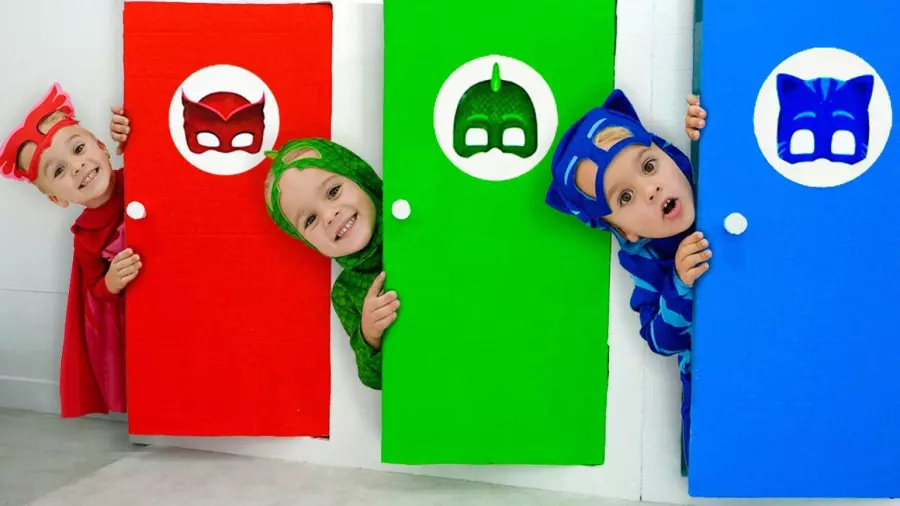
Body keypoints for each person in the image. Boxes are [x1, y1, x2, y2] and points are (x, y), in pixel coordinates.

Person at [544, 89, 711, 472]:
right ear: (625, 232)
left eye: (649, 166)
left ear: (666, 154)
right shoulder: (646, 262)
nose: (651, 190)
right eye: (625, 198)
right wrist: (680, 284)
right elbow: (659, 340)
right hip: (715, 379)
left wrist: (708, 125)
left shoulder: (709, 177)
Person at [0, 84, 141, 417]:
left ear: (103, 147)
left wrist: (134, 131)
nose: (76, 166)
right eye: (59, 171)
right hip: (143, 320)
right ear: (57, 198)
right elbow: (95, 290)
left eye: (78, 149)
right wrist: (112, 282)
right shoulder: (85, 237)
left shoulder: (140, 175)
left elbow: (165, 160)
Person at [263, 138, 399, 389]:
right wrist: (370, 335)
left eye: (333, 192)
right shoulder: (345, 292)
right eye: (310, 220)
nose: (329, 215)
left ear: (359, 176)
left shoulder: (412, 215)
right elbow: (374, 379)